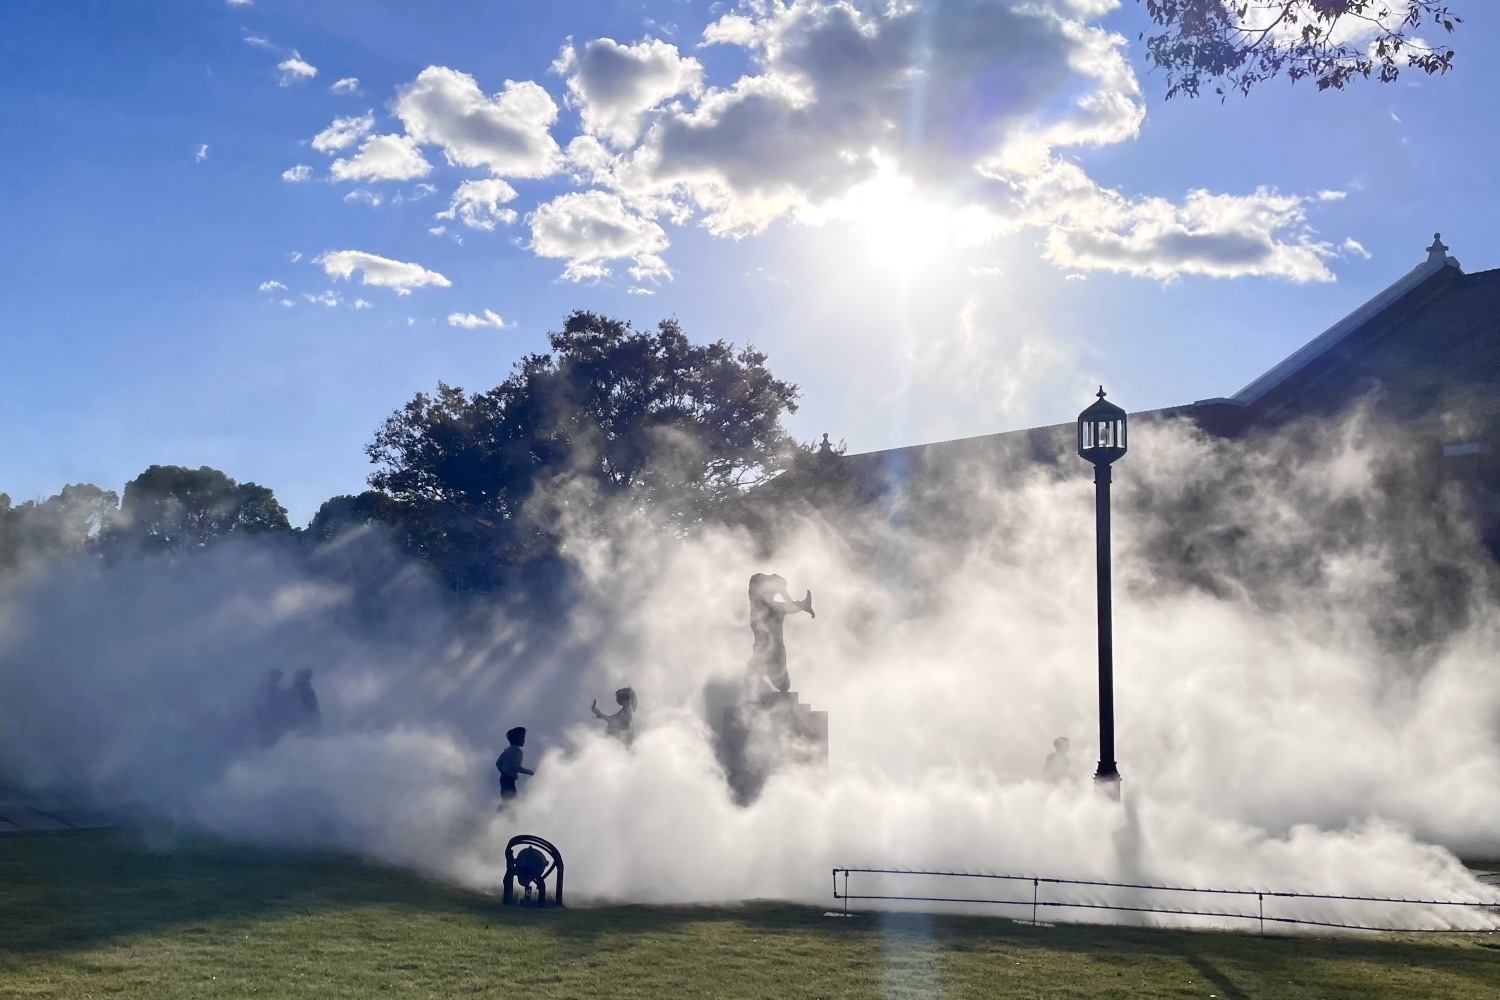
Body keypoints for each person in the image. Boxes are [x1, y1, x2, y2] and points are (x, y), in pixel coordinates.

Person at [747, 573, 814, 695]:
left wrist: (798, 603)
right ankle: (761, 691)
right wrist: (800, 604)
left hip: (773, 648)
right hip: (765, 647)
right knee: (757, 673)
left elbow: (785, 606)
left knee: (783, 684)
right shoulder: (762, 604)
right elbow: (757, 582)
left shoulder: (775, 610)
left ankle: (764, 690)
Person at [496, 726, 535, 802]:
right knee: (512, 800)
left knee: (506, 798)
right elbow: (516, 766)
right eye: (523, 738)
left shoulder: (507, 750)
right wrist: (529, 772)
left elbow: (498, 762)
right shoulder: (518, 751)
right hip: (509, 779)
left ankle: (503, 812)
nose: (524, 740)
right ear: (518, 739)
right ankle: (507, 813)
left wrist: (503, 770)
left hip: (503, 777)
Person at [289, 668, 321, 735]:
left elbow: (314, 705)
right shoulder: (298, 690)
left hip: (308, 719)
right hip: (303, 720)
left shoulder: (307, 690)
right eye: (307, 676)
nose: (308, 678)